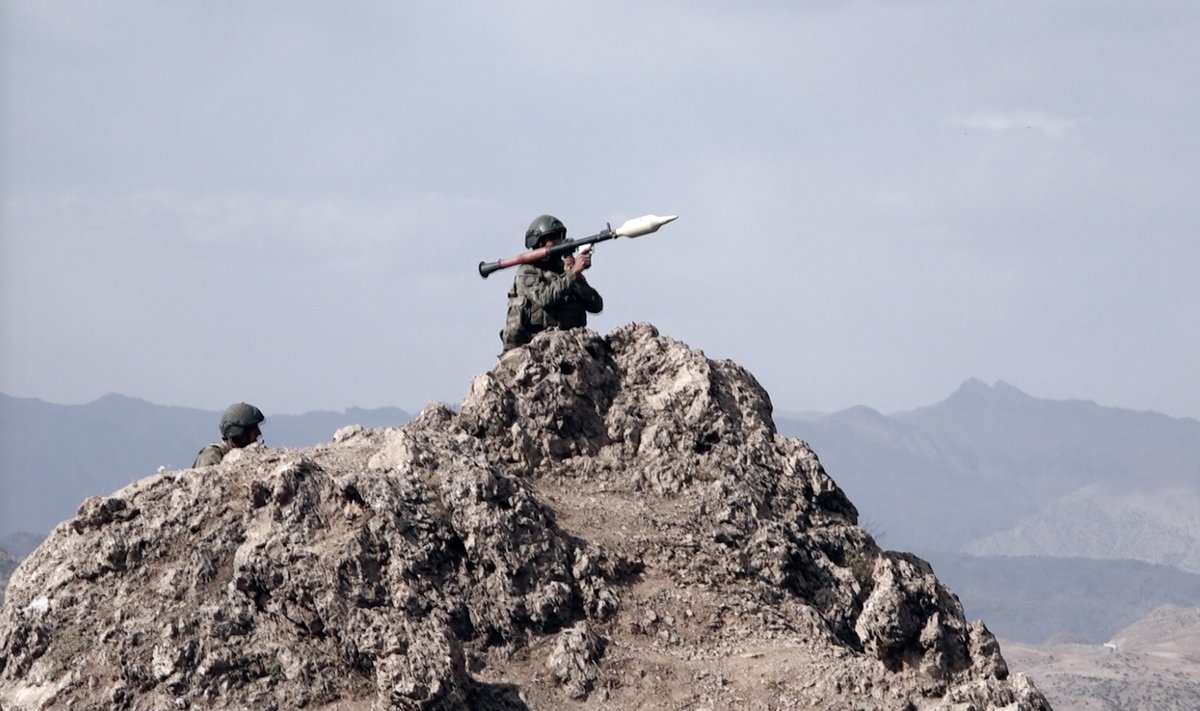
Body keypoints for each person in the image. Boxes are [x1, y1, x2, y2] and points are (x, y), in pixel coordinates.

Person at [500, 214, 603, 352]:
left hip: (570, 345)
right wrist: (572, 274)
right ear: (539, 242)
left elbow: (596, 305)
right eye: (553, 238)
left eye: (560, 236)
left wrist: (576, 276)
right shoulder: (528, 272)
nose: (559, 241)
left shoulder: (565, 270)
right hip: (536, 348)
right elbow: (545, 298)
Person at [193, 402, 265, 467]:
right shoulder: (212, 455)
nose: (258, 432)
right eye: (254, 428)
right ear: (240, 432)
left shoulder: (248, 455)